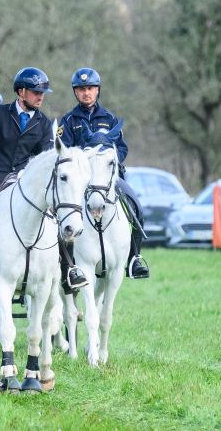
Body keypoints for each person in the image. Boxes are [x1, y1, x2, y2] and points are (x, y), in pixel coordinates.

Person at [0, 67, 88, 296]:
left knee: (58, 223)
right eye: (36, 92)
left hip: (25, 184)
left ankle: (69, 270)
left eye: (42, 93)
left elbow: (45, 157)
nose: (41, 97)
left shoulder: (44, 123)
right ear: (21, 92)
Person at [59, 67, 149, 281]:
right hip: (81, 180)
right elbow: (64, 151)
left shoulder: (110, 118)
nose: (86, 93)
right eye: (81, 89)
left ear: (97, 90)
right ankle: (69, 266)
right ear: (75, 92)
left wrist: (111, 160)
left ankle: (135, 258)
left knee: (136, 207)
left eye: (90, 88)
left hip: (108, 178)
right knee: (62, 217)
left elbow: (122, 148)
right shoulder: (68, 121)